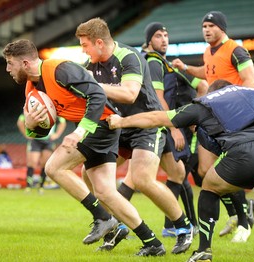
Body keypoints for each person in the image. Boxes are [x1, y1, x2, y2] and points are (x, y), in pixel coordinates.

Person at [3, 39, 166, 256]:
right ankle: (152, 242)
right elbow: (41, 131)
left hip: (100, 125)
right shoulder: (32, 88)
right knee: (106, 192)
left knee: (54, 167)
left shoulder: (60, 69)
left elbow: (97, 95)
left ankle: (102, 217)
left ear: (24, 63)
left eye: (9, 63)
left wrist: (80, 132)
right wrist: (31, 126)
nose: (7, 69)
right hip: (99, 127)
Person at [107, 80, 254, 262]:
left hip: (243, 152)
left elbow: (155, 118)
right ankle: (241, 220)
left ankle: (204, 251)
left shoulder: (206, 104)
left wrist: (122, 121)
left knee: (210, 186)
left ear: (210, 93)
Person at [75, 17, 193, 254]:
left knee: (141, 179)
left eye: (85, 45)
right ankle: (116, 224)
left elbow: (129, 94)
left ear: (99, 43)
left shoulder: (130, 57)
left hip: (145, 123)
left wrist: (91, 85)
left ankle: (183, 228)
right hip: (117, 127)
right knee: (88, 173)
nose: (83, 50)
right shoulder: (91, 64)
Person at [172, 11, 254, 242]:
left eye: (211, 25)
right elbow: (207, 72)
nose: (206, 30)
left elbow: (252, 81)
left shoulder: (236, 50)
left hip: (234, 120)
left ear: (222, 27)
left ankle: (242, 220)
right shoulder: (208, 51)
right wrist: (186, 68)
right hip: (215, 117)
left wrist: (238, 107)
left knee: (225, 170)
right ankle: (239, 212)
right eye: (204, 26)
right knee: (204, 172)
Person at [142, 22, 208, 236]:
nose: (164, 39)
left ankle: (176, 226)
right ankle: (113, 219)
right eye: (159, 36)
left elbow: (202, 84)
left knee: (179, 173)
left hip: (164, 124)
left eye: (166, 35)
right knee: (145, 178)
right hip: (161, 126)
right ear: (149, 40)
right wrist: (174, 128)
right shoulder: (153, 63)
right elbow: (160, 99)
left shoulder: (165, 64)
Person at [16, 113, 66, 194]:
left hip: (48, 141)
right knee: (32, 163)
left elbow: (63, 122)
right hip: (35, 139)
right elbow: (20, 121)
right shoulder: (34, 108)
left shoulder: (53, 110)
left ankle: (41, 186)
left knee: (44, 163)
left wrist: (57, 134)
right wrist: (26, 133)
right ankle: (28, 187)